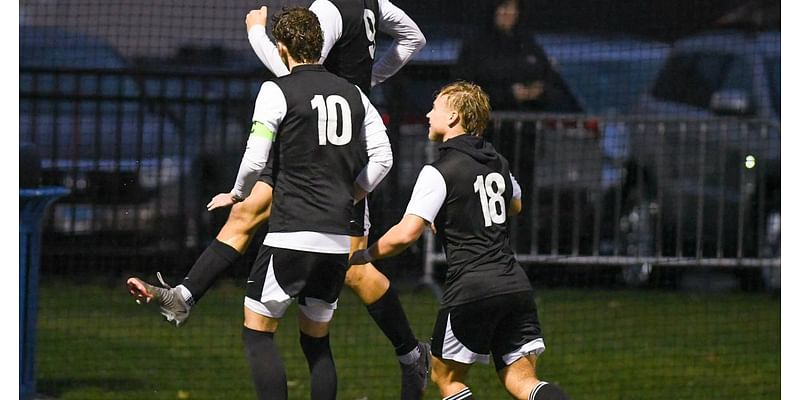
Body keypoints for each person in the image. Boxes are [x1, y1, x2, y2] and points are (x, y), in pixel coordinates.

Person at [126, 1, 430, 398]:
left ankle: (410, 355)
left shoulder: (327, 8)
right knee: (245, 212)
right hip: (321, 140)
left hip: (326, 146)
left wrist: (256, 33)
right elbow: (414, 39)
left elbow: (297, 67)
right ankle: (182, 297)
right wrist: (367, 83)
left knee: (354, 268)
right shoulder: (375, 4)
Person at [349, 81, 570, 400]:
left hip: (472, 290)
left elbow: (406, 233)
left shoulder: (439, 170)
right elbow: (516, 204)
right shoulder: (498, 162)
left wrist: (365, 256)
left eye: (435, 107)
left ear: (453, 117)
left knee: (446, 379)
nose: (428, 113)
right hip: (514, 286)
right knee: (523, 382)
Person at [212, 8, 390, 399]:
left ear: (282, 48)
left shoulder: (277, 90)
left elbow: (256, 158)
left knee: (258, 335)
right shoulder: (355, 93)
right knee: (317, 345)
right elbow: (384, 158)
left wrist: (238, 193)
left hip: (291, 235)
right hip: (335, 245)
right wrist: (353, 193)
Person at [452, 0, 560, 112]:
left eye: (514, 8)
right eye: (505, 7)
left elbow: (552, 81)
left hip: (529, 120)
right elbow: (462, 91)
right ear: (493, 10)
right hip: (489, 122)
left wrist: (538, 91)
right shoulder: (475, 45)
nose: (510, 12)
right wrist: (507, 95)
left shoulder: (528, 43)